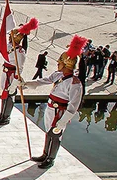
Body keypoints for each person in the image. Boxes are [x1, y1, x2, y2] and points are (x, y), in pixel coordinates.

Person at [22, 35, 86, 169]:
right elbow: (42, 81)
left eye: (60, 62)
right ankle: (45, 154)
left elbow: (73, 106)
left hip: (60, 111)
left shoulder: (75, 83)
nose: (58, 64)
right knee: (48, 132)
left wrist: (63, 120)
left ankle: (51, 158)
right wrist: (26, 84)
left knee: (56, 134)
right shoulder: (58, 75)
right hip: (51, 108)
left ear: (66, 63)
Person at [0, 17, 38, 125]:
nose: (9, 37)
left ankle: (6, 117)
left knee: (10, 94)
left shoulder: (20, 51)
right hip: (5, 71)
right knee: (4, 91)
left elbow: (20, 68)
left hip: (12, 74)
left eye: (11, 36)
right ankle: (1, 114)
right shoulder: (9, 46)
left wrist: (15, 81)